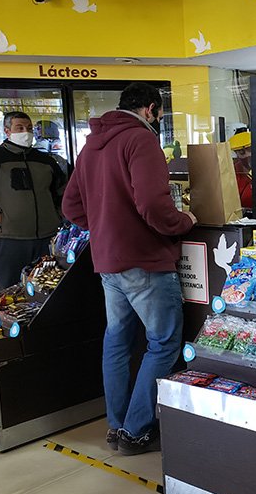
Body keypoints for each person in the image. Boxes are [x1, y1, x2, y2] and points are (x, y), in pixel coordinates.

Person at [62, 82, 197, 456]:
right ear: (151, 109)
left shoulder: (92, 144)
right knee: (164, 343)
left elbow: (71, 207)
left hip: (108, 261)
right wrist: (183, 221)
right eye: (160, 114)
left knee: (117, 341)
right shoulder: (141, 140)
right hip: (145, 260)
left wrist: (107, 225)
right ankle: (136, 432)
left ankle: (117, 424)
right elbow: (153, 205)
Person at [0, 111, 67, 289]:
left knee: (48, 289)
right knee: (11, 291)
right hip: (9, 240)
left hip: (46, 238)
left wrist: (57, 214)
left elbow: (62, 191)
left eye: (29, 128)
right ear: (7, 131)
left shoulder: (45, 161)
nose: (26, 132)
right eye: (19, 128)